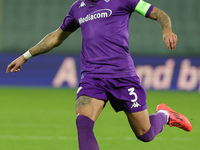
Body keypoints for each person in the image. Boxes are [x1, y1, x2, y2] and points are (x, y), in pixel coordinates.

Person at [6, 0, 192, 149]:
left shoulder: (124, 1)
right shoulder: (77, 8)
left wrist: (166, 29)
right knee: (83, 121)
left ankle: (165, 115)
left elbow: (160, 14)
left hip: (122, 76)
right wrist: (26, 55)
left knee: (145, 134)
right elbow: (56, 37)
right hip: (92, 77)